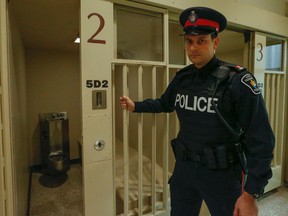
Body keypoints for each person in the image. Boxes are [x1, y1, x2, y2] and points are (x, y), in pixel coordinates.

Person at [120, 6, 274, 216]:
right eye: (189, 41)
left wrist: (251, 194)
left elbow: (261, 139)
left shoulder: (237, 80)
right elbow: (165, 103)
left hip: (222, 174)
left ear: (215, 42)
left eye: (201, 41)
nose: (193, 48)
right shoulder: (182, 78)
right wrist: (135, 105)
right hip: (185, 169)